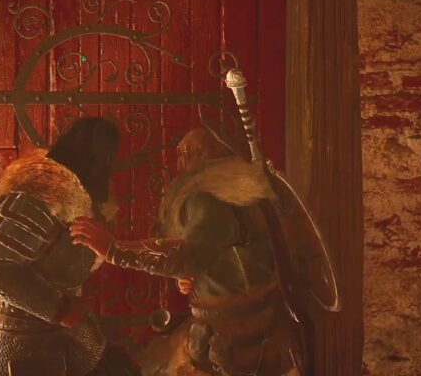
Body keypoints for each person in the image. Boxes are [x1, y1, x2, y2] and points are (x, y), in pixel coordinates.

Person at [70, 127, 303, 375]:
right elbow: (216, 256)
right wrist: (198, 277)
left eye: (188, 153)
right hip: (237, 324)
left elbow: (188, 256)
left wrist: (115, 250)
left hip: (241, 335)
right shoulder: (229, 188)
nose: (181, 162)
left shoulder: (210, 196)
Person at [0, 117, 138, 376]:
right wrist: (60, 309)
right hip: (24, 345)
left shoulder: (75, 198)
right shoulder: (38, 195)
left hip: (58, 339)